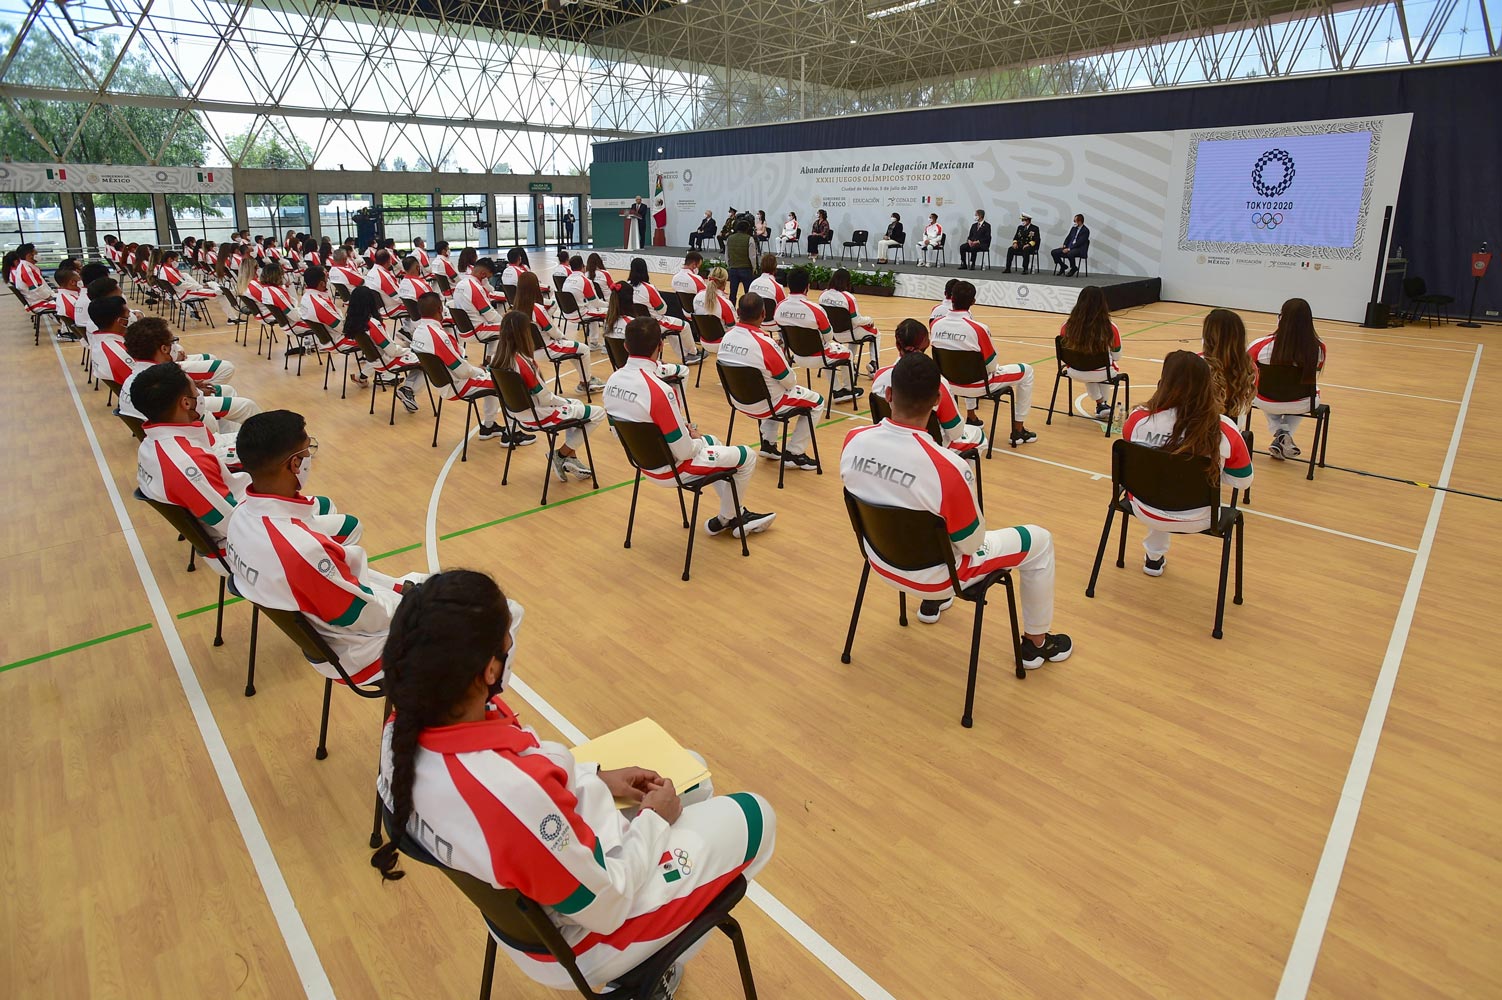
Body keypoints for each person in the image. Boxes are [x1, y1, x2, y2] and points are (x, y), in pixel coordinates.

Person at [370, 568, 776, 996]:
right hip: (582, 938)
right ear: (488, 671)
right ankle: (644, 977)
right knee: (757, 816)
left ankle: (658, 937)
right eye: (506, 647)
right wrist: (653, 821)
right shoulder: (511, 796)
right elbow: (608, 904)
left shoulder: (406, 728)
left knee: (692, 773)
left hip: (533, 905)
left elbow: (528, 781)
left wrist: (597, 777)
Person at [841, 353, 1072, 661]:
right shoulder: (947, 468)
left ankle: (933, 601)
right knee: (1039, 541)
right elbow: (971, 543)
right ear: (937, 400)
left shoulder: (852, 439)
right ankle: (1036, 644)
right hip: (937, 577)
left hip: (879, 561)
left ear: (889, 394)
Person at [225, 410, 426, 684]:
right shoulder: (301, 550)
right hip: (356, 652)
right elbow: (366, 615)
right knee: (468, 613)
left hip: (323, 628)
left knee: (419, 583)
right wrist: (417, 602)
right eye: (308, 451)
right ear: (295, 464)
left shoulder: (240, 514)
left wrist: (398, 588)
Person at [605, 316, 776, 538]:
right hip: (673, 469)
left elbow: (619, 433)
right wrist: (697, 439)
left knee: (714, 442)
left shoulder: (612, 382)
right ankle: (727, 517)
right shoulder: (659, 391)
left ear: (626, 346)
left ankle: (736, 514)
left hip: (643, 464)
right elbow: (684, 451)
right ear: (660, 345)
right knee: (747, 457)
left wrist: (695, 439)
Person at [1122, 351, 1253, 576]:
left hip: (1144, 507)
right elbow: (1243, 481)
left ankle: (1153, 556)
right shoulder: (1225, 429)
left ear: (1164, 381)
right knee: (1171, 481)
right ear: (1207, 385)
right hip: (1199, 518)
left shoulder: (1137, 419)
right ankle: (1154, 554)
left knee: (1162, 478)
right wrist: (1209, 469)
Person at [492, 310, 605, 481]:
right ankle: (560, 455)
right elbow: (545, 398)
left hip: (517, 414)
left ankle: (571, 457)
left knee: (576, 405)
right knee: (598, 413)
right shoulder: (522, 362)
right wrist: (564, 401)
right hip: (538, 415)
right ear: (524, 334)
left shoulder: (496, 359)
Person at [718, 293, 821, 468]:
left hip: (737, 401)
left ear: (738, 312)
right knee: (817, 402)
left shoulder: (726, 337)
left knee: (770, 384)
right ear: (763, 314)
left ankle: (768, 443)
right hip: (766, 405)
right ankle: (794, 452)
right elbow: (790, 382)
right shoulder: (765, 344)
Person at [930, 281, 1038, 445]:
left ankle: (972, 417)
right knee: (1027, 371)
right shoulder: (978, 329)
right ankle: (1018, 430)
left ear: (951, 298)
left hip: (948, 384)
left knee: (963, 367)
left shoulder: (936, 325)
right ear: (973, 301)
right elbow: (991, 366)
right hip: (978, 385)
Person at [117, 315, 259, 429]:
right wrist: (195, 392)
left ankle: (232, 434)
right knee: (248, 407)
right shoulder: (165, 379)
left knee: (227, 391)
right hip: (185, 432)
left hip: (160, 428)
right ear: (164, 349)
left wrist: (193, 389)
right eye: (173, 341)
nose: (176, 346)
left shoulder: (138, 377)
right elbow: (201, 414)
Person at [871, 319, 986, 453]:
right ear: (927, 343)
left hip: (891, 441)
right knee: (978, 435)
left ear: (897, 345)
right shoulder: (937, 382)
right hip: (929, 448)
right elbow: (955, 431)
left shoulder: (879, 375)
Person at [410, 291, 510, 441]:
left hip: (442, 383)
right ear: (440, 309)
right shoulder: (438, 336)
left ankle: (489, 427)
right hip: (457, 385)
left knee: (489, 377)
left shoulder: (418, 332)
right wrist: (479, 370)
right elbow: (461, 371)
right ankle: (511, 434)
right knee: (504, 383)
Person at [1249, 297, 1326, 460]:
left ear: (1281, 318)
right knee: (1310, 391)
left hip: (1265, 401)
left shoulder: (1260, 345)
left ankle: (1280, 434)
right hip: (1302, 403)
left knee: (1259, 388)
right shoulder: (1319, 348)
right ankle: (1284, 437)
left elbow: (1245, 369)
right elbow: (1314, 374)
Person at [774, 267, 858, 403]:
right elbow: (829, 337)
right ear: (807, 286)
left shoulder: (779, 308)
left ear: (788, 284)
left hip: (796, 357)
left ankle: (837, 389)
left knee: (827, 350)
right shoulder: (815, 310)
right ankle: (847, 390)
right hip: (818, 357)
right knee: (847, 354)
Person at [514, 270, 602, 394]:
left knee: (575, 349)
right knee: (584, 349)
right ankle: (585, 384)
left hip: (526, 350)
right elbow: (553, 332)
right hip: (546, 349)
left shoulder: (515, 309)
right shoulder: (537, 309)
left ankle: (586, 380)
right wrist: (564, 338)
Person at [343, 285, 424, 413]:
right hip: (389, 361)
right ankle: (408, 389)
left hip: (377, 361)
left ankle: (363, 376)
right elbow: (392, 351)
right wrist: (409, 350)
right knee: (428, 361)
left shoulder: (353, 322)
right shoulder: (372, 324)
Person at [606, 287, 690, 392]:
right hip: (645, 371)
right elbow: (645, 350)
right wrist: (658, 363)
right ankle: (675, 402)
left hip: (623, 369)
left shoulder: (608, 324)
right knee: (683, 370)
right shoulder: (634, 325)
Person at [1058, 285, 1123, 421]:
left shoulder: (1066, 326)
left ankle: (1101, 404)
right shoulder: (1110, 327)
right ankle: (1102, 404)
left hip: (1074, 370)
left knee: (1088, 365)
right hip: (1101, 372)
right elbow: (1117, 356)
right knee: (1105, 366)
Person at [819, 267, 881, 375]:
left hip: (832, 335)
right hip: (849, 333)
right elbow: (856, 320)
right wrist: (869, 320)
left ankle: (851, 363)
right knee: (876, 333)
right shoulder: (848, 298)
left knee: (854, 331)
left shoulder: (823, 295)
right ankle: (873, 364)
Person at [1200, 308, 1256, 420]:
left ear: (1208, 337)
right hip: (1234, 427)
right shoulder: (1250, 367)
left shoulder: (1197, 364)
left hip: (1202, 425)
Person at [453, 256, 504, 347]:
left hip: (462, 330)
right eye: (488, 278)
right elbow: (490, 314)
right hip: (477, 330)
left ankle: (490, 356)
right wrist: (504, 322)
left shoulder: (460, 284)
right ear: (483, 274)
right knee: (510, 328)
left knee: (495, 324)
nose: (488, 280)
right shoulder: (475, 288)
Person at [693, 266, 735, 340]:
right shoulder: (725, 303)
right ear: (724, 282)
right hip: (722, 342)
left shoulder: (697, 296)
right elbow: (733, 328)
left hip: (703, 339)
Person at [747, 253, 786, 332]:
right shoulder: (778, 287)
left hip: (754, 322)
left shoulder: (753, 284)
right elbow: (783, 309)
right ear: (775, 267)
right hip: (773, 324)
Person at [725, 216, 755, 301]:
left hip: (733, 268)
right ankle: (747, 308)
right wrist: (754, 268)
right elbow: (752, 256)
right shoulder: (749, 239)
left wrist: (729, 265)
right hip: (746, 269)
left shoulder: (729, 238)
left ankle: (732, 308)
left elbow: (727, 255)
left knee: (733, 293)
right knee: (748, 293)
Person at [52, 266, 81, 334]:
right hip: (78, 333)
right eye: (80, 279)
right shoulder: (70, 302)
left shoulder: (67, 294)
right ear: (73, 282)